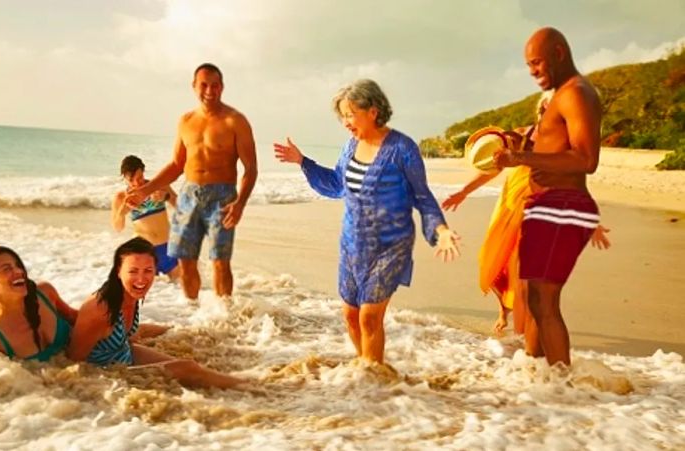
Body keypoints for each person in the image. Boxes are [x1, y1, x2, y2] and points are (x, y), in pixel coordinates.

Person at [274, 79, 461, 364]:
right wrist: (302, 161)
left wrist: (441, 229)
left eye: (350, 114)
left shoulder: (402, 148)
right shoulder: (350, 147)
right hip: (352, 244)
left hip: (390, 246)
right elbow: (337, 184)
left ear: (372, 111)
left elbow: (422, 196)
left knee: (370, 317)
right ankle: (369, 374)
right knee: (350, 315)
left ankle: (373, 381)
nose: (346, 122)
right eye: (343, 116)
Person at [442, 95, 611, 336]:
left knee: (520, 267)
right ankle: (504, 310)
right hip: (509, 206)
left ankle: (529, 326)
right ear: (541, 108)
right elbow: (493, 167)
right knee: (491, 261)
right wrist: (463, 192)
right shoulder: (521, 135)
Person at [493, 27, 603, 366]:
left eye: (537, 63)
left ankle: (563, 386)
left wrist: (521, 159)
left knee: (544, 298)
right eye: (528, 66)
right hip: (548, 205)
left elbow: (586, 160)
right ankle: (538, 372)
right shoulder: (560, 96)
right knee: (532, 296)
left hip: (564, 204)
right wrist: (522, 146)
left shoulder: (576, 93)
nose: (533, 72)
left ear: (559, 53)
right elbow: (554, 147)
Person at [127, 63, 258, 302]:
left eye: (215, 85)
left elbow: (250, 168)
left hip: (223, 197)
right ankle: (192, 311)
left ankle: (224, 314)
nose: (210, 90)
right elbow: (177, 165)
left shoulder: (235, 121)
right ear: (194, 87)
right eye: (204, 85)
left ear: (222, 87)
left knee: (220, 261)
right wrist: (146, 189)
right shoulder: (186, 121)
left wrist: (240, 203)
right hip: (188, 195)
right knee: (184, 260)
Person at [67, 237, 245, 389]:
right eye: (133, 271)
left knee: (192, 364)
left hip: (124, 353)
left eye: (148, 271)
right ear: (118, 272)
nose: (141, 279)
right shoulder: (101, 309)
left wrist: (171, 329)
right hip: (108, 371)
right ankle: (256, 388)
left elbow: (129, 333)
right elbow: (74, 360)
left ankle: (245, 384)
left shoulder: (129, 295)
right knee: (188, 368)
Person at [0, 246, 77, 361]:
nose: (19, 271)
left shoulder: (45, 293)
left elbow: (77, 318)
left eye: (18, 265)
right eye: (7, 269)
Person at [111, 155, 180, 280]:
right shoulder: (121, 198)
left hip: (169, 249)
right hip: (144, 254)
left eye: (140, 177)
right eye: (131, 180)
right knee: (149, 296)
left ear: (143, 171)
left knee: (182, 294)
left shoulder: (158, 185)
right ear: (125, 178)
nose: (137, 183)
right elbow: (117, 228)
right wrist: (122, 212)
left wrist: (166, 196)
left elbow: (182, 208)